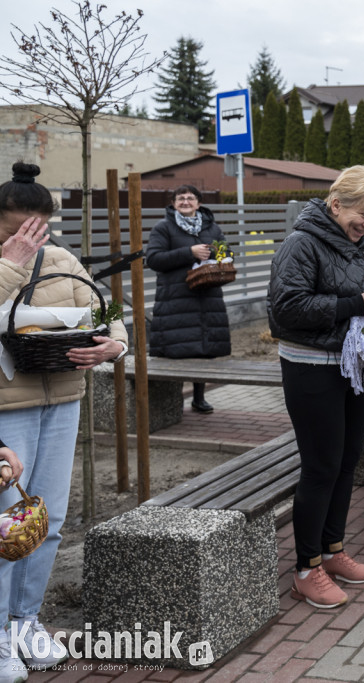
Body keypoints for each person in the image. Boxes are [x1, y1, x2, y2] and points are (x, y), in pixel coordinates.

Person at [0, 162, 129, 676]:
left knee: (45, 521)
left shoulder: (62, 260)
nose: (30, 240)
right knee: (7, 525)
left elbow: (105, 313)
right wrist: (11, 262)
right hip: (8, 409)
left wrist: (114, 345)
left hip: (62, 402)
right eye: (15, 230)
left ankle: (25, 621)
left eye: (39, 230)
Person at [267, 165, 364, 609]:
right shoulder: (301, 244)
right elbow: (287, 308)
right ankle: (306, 567)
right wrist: (354, 304)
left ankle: (333, 550)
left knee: (347, 461)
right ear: (336, 204)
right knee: (321, 466)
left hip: (355, 367)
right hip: (312, 368)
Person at [146, 184, 231, 413]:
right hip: (176, 299)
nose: (185, 201)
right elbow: (153, 259)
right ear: (173, 203)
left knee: (202, 349)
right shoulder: (163, 228)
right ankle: (170, 402)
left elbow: (227, 254)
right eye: (180, 198)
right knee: (177, 349)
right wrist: (189, 253)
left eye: (190, 198)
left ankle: (198, 398)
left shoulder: (211, 227)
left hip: (207, 297)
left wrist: (213, 254)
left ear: (198, 203)